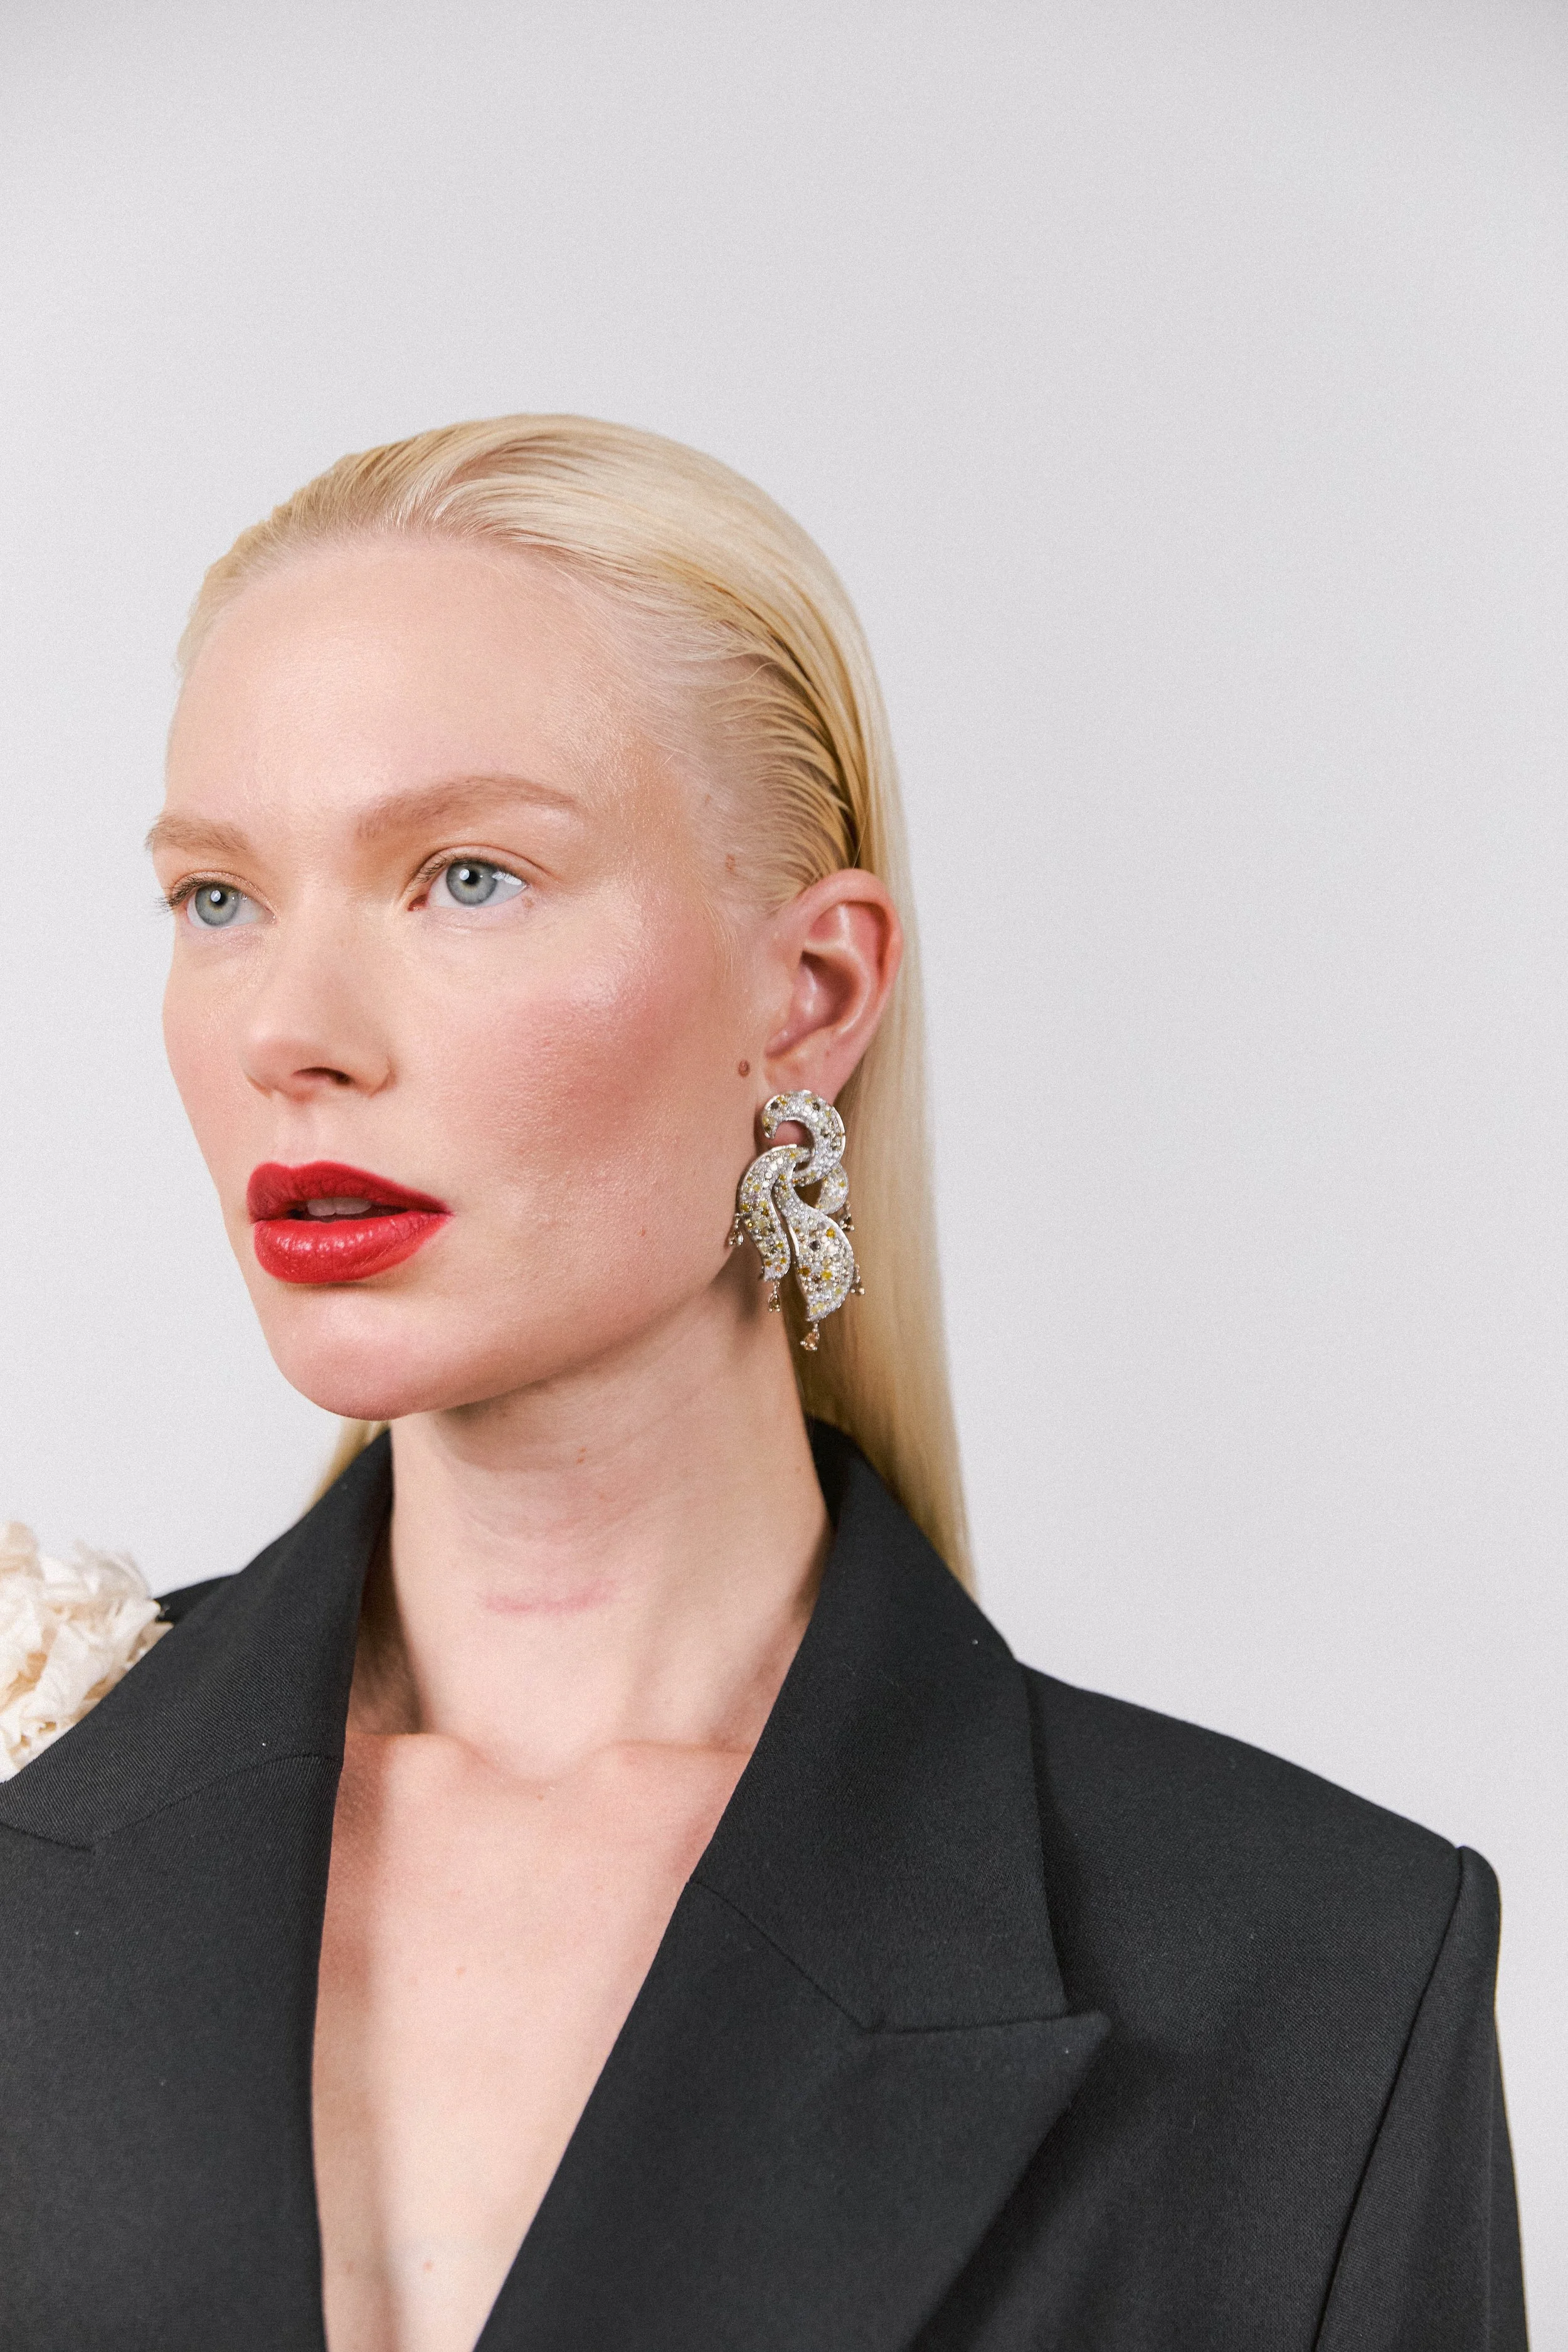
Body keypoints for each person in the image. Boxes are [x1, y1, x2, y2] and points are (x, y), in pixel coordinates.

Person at [0, 417, 1527, 2352]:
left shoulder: (1310, 1981)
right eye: (217, 897)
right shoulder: (43, 1805)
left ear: (807, 995)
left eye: (465, 876)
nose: (291, 1030)